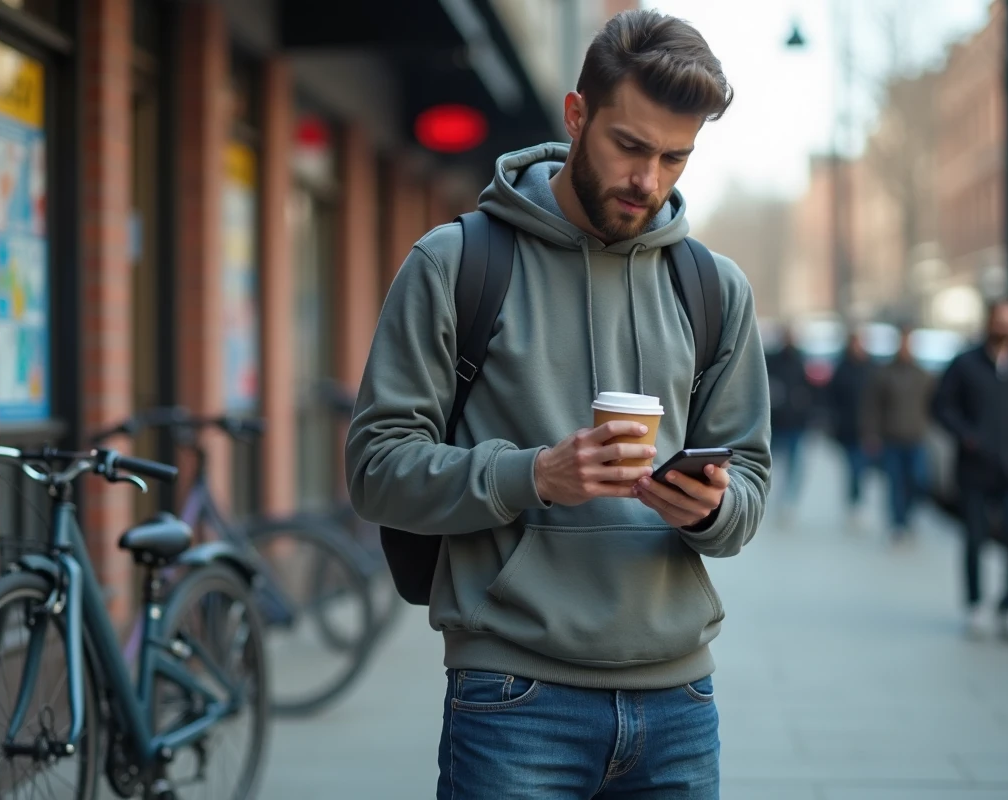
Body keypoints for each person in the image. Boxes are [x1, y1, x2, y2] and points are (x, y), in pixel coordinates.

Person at [346, 10, 771, 799]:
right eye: (629, 146)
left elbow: (748, 485)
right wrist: (534, 475)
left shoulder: (714, 289)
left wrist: (711, 509)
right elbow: (376, 471)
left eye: (675, 157)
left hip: (680, 704)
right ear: (577, 116)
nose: (649, 180)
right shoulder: (456, 263)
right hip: (513, 699)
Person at [932, 299, 1008, 646]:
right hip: (975, 470)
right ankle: (976, 605)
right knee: (976, 539)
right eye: (1001, 321)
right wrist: (968, 437)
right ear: (989, 323)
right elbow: (940, 406)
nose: (1007, 328)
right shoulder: (965, 364)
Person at [862, 328, 934, 541]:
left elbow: (932, 405)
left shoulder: (922, 375)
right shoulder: (884, 374)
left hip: (916, 438)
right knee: (895, 483)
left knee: (918, 480)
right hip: (892, 437)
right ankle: (898, 524)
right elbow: (873, 406)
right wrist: (871, 433)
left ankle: (908, 517)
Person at [765, 325, 813, 519]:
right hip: (775, 423)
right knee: (768, 464)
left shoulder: (801, 360)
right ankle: (765, 495)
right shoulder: (772, 360)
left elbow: (810, 390)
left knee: (795, 467)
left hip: (795, 423)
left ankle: (788, 501)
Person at [827, 331, 873, 524]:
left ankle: (857, 503)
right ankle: (855, 504)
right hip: (847, 429)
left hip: (866, 430)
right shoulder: (842, 368)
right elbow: (832, 398)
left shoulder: (870, 368)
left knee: (861, 469)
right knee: (854, 468)